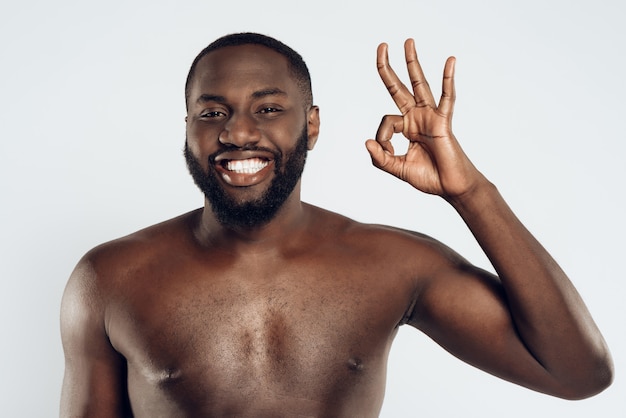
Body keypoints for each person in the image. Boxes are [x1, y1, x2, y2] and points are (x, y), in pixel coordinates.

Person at [60, 32, 613, 417]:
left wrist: (470, 192)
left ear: (312, 125)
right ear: (188, 129)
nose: (237, 133)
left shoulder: (391, 265)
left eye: (268, 108)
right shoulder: (111, 277)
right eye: (212, 113)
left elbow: (579, 375)